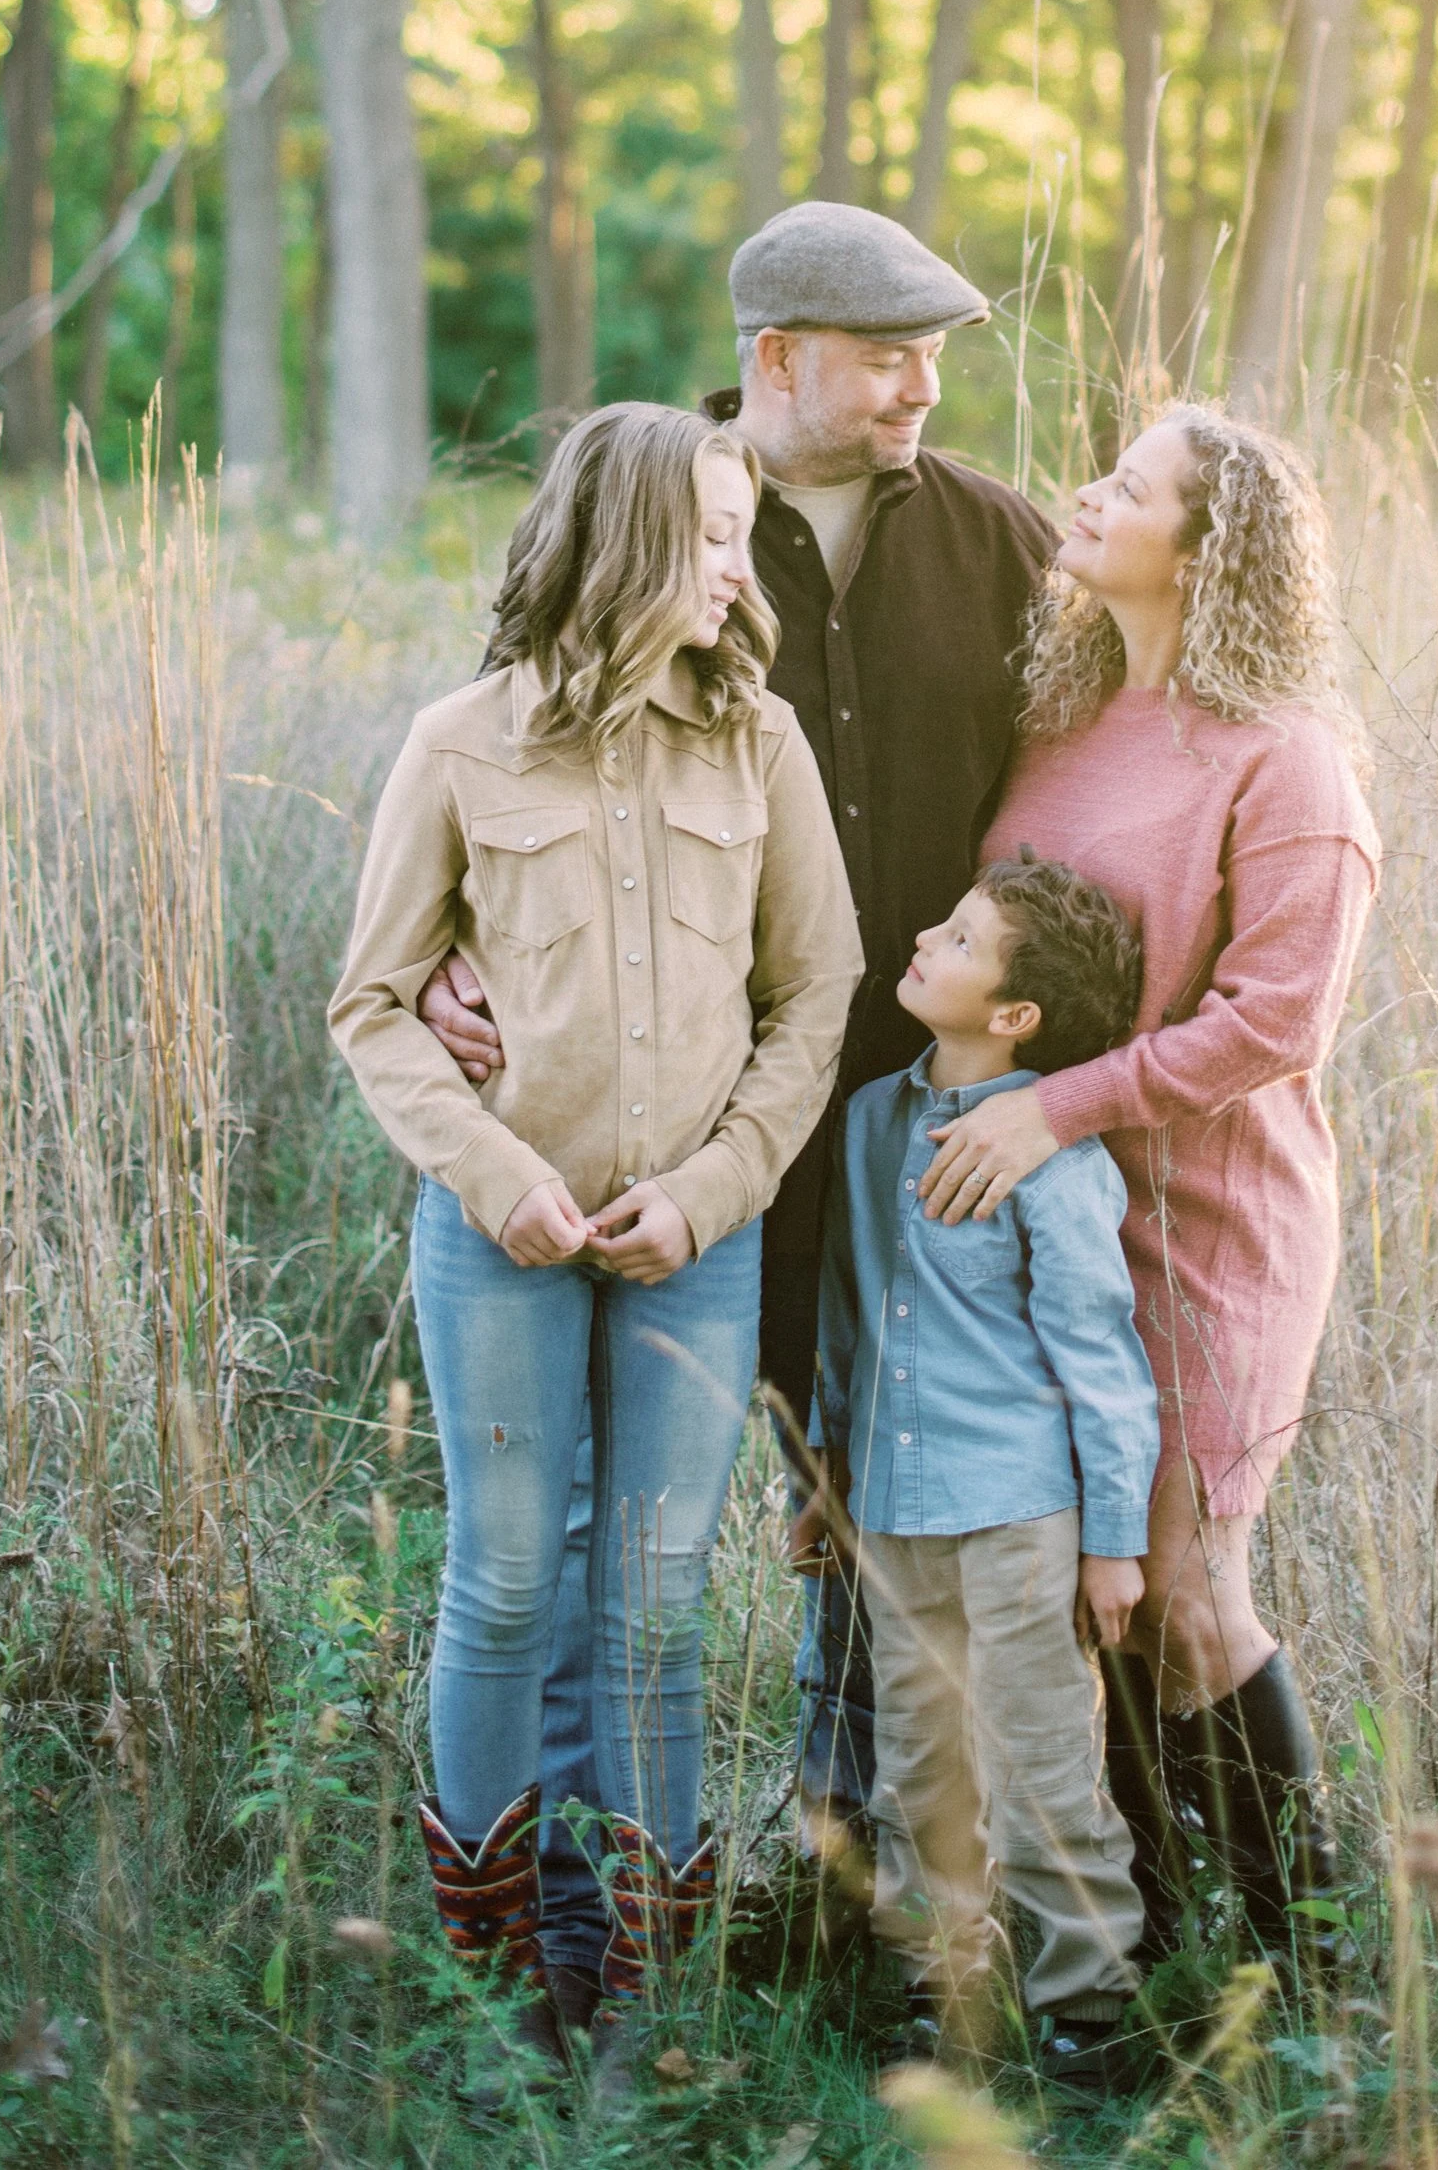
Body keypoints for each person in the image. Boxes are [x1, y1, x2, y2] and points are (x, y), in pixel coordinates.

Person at [411, 204, 1056, 1995]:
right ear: (776, 358)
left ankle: (854, 1895)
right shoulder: (659, 506)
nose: (923, 383)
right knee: (600, 1545)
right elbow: (507, 732)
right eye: (882, 352)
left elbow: (1093, 775)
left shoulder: (1006, 542)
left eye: (938, 349)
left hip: (912, 1124)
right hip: (672, 1122)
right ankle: (555, 1931)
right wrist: (460, 960)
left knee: (883, 1495)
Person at [328, 403, 862, 2078]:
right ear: (627, 541)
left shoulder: (758, 743)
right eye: (712, 529)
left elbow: (817, 990)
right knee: (497, 1586)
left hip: (691, 1245)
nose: (737, 560)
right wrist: (498, 1176)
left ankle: (637, 1996)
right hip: (503, 1240)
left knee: (652, 1604)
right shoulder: (459, 746)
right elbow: (372, 1004)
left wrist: (713, 1188)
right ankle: (501, 1995)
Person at [916, 405, 1380, 1973]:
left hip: (1213, 1224)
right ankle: (1164, 1947)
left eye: (1131, 487)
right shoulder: (1060, 713)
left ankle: (1308, 1961)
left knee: (1184, 1593)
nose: (1089, 495)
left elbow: (1277, 1021)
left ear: (1209, 550)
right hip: (1042, 1221)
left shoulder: (1288, 758)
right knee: (1078, 1593)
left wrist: (1060, 1106)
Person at [804, 854, 1158, 2099]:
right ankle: (941, 1984)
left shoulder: (1056, 1163)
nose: (924, 937)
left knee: (1046, 1763)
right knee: (918, 1762)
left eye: (958, 940)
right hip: (895, 1510)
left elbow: (1102, 1363)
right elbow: (851, 1313)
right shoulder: (868, 1125)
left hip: (1018, 1516)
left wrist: (1114, 1540)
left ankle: (1088, 2008)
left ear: (1015, 1017)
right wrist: (824, 1468)